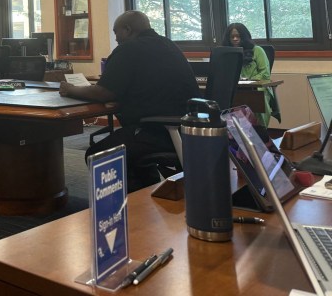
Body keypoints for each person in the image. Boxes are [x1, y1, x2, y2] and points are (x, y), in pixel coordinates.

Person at [59, 10, 200, 191]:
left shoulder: (128, 49)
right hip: (186, 129)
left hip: (158, 131)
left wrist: (71, 89)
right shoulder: (168, 45)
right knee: (128, 149)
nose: (116, 38)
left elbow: (104, 93)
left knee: (98, 154)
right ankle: (147, 195)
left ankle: (129, 209)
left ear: (127, 29)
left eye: (116, 32)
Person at [222, 22, 279, 126]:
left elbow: (265, 74)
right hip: (235, 89)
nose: (235, 39)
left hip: (257, 88)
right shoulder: (226, 53)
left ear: (244, 37)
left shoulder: (257, 50)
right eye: (232, 37)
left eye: (238, 36)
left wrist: (247, 80)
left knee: (255, 99)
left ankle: (259, 131)